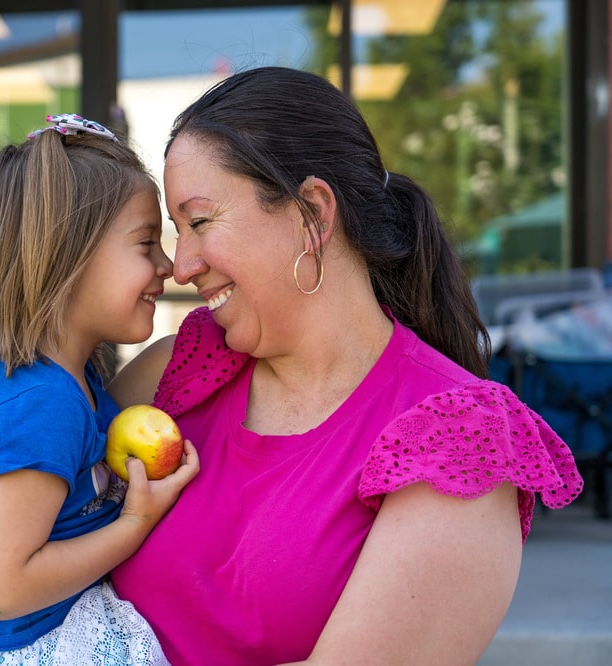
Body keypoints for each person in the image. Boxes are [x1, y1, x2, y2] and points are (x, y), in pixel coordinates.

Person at [107, 67, 585, 665]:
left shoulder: (459, 442)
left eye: (200, 223)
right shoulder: (182, 370)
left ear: (312, 212)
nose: (182, 267)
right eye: (178, 232)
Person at [0, 113, 199, 666]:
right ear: (67, 258)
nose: (169, 265)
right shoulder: (43, 405)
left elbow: (155, 375)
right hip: (31, 646)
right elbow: (3, 591)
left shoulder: (65, 383)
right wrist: (136, 522)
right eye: (146, 243)